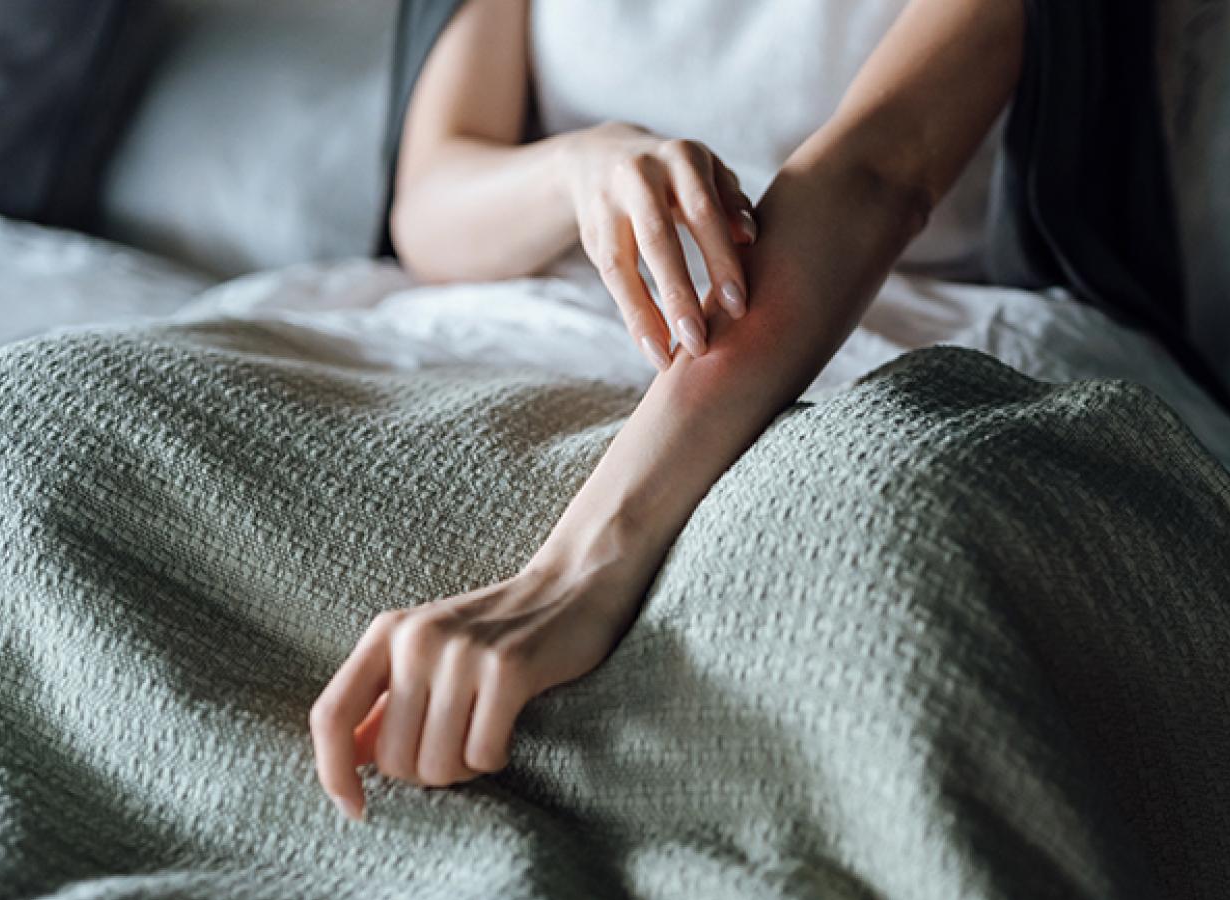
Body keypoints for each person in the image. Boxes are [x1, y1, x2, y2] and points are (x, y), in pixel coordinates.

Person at [311, 0, 1048, 823]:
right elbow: (429, 202)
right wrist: (579, 169)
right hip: (518, 315)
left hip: (871, 319)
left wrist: (576, 569)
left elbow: (879, 170)